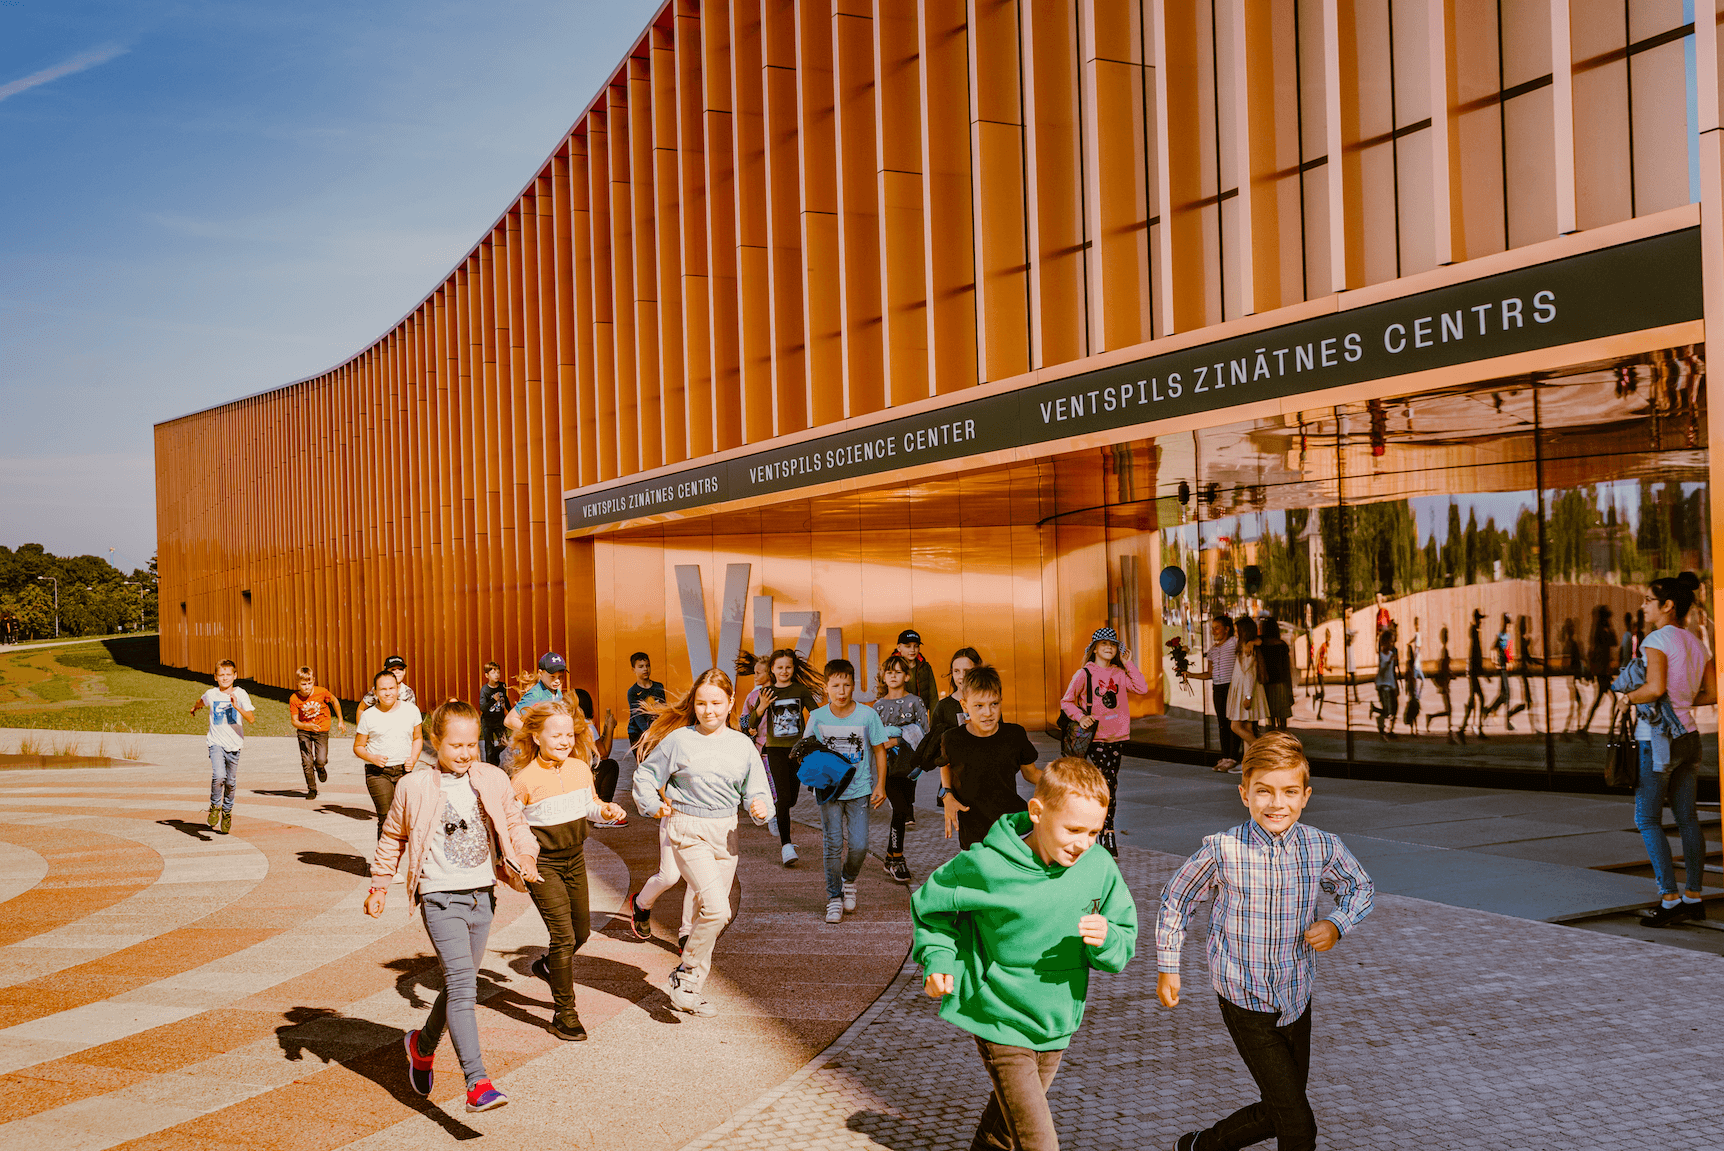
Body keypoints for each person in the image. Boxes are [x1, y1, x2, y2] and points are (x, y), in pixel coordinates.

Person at [1157, 732, 1375, 1151]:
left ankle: (1200, 1146)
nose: (1277, 803)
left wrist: (1336, 923)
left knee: (1281, 1108)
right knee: (1298, 1126)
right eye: (1264, 791)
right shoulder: (1223, 850)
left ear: (1306, 795)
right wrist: (1169, 966)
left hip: (1296, 997)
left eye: (1290, 791)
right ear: (1244, 794)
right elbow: (1175, 899)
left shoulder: (1322, 846)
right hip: (1243, 999)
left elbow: (1360, 887)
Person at [912, 757, 1137, 1151]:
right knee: (1039, 1142)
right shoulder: (986, 865)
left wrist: (1107, 940)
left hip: (1057, 1023)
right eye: (1073, 829)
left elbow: (1121, 944)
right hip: (1000, 1018)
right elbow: (931, 907)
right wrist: (939, 960)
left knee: (1001, 1132)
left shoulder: (1099, 866)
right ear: (1037, 811)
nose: (1083, 843)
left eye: (1094, 832)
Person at [366, 700, 540, 1114]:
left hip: (483, 895)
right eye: (455, 745)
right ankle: (477, 1082)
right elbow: (393, 836)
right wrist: (379, 885)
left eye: (471, 744)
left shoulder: (492, 778)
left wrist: (526, 855)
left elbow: (515, 822)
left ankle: (421, 1046)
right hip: (439, 897)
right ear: (434, 742)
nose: (465, 753)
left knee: (458, 983)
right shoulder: (414, 787)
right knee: (464, 986)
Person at [630, 669, 772, 1016]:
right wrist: (651, 804)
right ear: (693, 704)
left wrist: (760, 807)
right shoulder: (680, 740)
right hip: (687, 827)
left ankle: (689, 988)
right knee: (718, 909)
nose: (708, 710)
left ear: (730, 703)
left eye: (716, 703)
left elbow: (758, 789)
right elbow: (646, 775)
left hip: (726, 833)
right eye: (701, 703)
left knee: (709, 916)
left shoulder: (742, 745)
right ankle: (685, 975)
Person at [509, 699, 627, 1040]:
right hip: (543, 864)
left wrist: (605, 811)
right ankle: (565, 1013)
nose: (564, 741)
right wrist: (520, 863)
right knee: (562, 937)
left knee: (581, 934)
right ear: (535, 736)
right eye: (556, 735)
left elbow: (589, 805)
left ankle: (547, 967)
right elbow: (510, 825)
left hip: (576, 858)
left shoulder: (579, 768)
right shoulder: (524, 780)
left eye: (569, 735)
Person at [1614, 573, 1716, 928]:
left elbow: (1654, 688)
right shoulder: (1697, 644)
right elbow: (1712, 695)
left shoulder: (1657, 640)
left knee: (1647, 819)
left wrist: (1628, 697)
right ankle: (1694, 897)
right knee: (1687, 817)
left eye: (1647, 599)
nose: (1643, 606)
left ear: (1667, 605)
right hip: (1690, 737)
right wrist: (1683, 701)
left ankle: (1669, 899)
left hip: (1656, 740)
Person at [805, 658, 894, 923]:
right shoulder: (818, 717)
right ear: (826, 687)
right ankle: (834, 897)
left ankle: (848, 880)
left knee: (859, 845)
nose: (841, 691)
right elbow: (807, 749)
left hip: (860, 790)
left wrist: (880, 784)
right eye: (835, 685)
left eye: (846, 685)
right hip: (829, 792)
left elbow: (879, 749)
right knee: (832, 844)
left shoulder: (867, 715)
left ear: (854, 685)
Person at [1059, 626, 1147, 855]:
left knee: (1111, 785)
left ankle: (1103, 830)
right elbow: (1067, 701)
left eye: (1113, 644)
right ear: (1095, 648)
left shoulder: (1119, 673)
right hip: (1095, 738)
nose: (1109, 647)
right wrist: (1081, 717)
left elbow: (1141, 687)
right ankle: (1106, 832)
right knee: (1107, 782)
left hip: (1117, 736)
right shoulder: (1084, 674)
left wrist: (1128, 663)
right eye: (1104, 644)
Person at [939, 664, 1042, 850]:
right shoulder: (952, 739)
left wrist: (1065, 784)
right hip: (973, 833)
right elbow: (945, 763)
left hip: (1011, 827)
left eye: (994, 704)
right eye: (978, 706)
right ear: (964, 705)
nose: (988, 713)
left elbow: (1032, 774)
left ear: (1001, 701)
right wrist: (947, 795)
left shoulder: (1015, 735)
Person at [741, 647, 822, 867]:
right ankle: (786, 846)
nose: (784, 671)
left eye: (788, 667)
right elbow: (751, 724)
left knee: (791, 798)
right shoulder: (765, 693)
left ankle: (781, 815)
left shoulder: (800, 690)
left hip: (797, 750)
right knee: (783, 798)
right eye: (780, 667)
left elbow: (816, 715)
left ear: (793, 668)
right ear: (772, 670)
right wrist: (762, 707)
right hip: (775, 750)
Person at [872, 653, 929, 885]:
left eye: (898, 671)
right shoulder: (877, 706)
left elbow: (924, 733)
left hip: (909, 767)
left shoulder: (916, 702)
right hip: (888, 768)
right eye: (889, 672)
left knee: (903, 810)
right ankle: (898, 859)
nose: (893, 675)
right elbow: (874, 740)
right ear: (883, 677)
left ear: (907, 675)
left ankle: (888, 858)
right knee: (899, 810)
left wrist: (898, 738)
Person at [353, 670, 424, 834]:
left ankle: (408, 858)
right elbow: (358, 747)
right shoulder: (368, 716)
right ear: (375, 692)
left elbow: (418, 738)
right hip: (378, 773)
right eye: (383, 689)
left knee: (409, 818)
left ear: (398, 689)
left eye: (391, 688)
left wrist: (413, 758)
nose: (388, 693)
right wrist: (372, 757)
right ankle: (384, 860)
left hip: (405, 771)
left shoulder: (411, 711)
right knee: (386, 818)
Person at [190, 658, 255, 835]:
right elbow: (201, 701)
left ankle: (227, 812)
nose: (225, 678)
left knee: (231, 783)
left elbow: (251, 719)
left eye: (228, 675)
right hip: (216, 743)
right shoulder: (211, 694)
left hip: (234, 744)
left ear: (235, 675)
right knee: (219, 776)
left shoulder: (241, 694)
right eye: (221, 675)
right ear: (215, 677)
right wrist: (194, 708)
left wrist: (236, 706)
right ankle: (214, 806)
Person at [916, 646, 982, 780]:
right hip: (953, 778)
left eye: (967, 671)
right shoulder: (943, 706)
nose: (962, 676)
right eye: (956, 671)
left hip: (984, 773)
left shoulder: (987, 702)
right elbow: (935, 745)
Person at [1187, 615, 1239, 771]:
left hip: (1232, 687)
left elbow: (1250, 642)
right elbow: (1209, 673)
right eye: (1212, 628)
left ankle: (1233, 757)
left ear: (1227, 629)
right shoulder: (1212, 650)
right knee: (1222, 723)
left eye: (1217, 627)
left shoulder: (1234, 643)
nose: (1213, 631)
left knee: (1233, 724)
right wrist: (1189, 674)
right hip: (1218, 688)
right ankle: (1225, 756)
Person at [288, 665, 345, 800]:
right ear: (297, 683)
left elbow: (334, 701)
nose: (307, 687)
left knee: (321, 759)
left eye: (309, 683)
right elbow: (294, 721)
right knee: (307, 761)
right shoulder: (294, 699)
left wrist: (341, 720)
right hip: (304, 731)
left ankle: (320, 767)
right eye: (303, 684)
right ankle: (312, 789)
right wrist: (306, 725)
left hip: (321, 730)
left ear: (314, 680)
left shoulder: (321, 692)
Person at [1223, 616, 1266, 761]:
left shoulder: (1245, 648)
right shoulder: (1246, 644)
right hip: (1246, 689)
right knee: (1247, 728)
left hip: (1245, 690)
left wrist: (1248, 696)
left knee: (1235, 726)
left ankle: (1261, 748)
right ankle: (1248, 762)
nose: (1235, 633)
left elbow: (1249, 674)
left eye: (1237, 630)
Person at [1581, 605, 1618, 735]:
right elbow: (1614, 642)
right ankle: (1609, 726)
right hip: (1603, 671)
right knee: (1609, 699)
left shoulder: (1598, 630)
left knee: (1601, 700)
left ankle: (1587, 726)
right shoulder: (1603, 631)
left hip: (1602, 671)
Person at [625, 651, 666, 752]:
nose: (645, 669)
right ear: (633, 670)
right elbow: (637, 715)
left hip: (656, 731)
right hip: (638, 732)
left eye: (647, 666)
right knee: (644, 763)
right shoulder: (632, 692)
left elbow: (663, 709)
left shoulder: (659, 687)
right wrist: (648, 733)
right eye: (641, 666)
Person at [1257, 618, 1293, 732]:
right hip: (1281, 685)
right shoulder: (1282, 645)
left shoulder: (1260, 645)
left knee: (1270, 720)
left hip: (1266, 686)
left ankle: (1272, 743)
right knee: (1282, 720)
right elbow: (1287, 670)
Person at [1459, 610, 1490, 740]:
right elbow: (1475, 655)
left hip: (1472, 672)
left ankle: (1465, 728)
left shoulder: (1475, 634)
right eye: (1479, 620)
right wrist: (1481, 671)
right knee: (1479, 699)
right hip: (1473, 673)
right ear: (1476, 620)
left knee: (1474, 701)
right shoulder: (1475, 636)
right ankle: (1474, 728)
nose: (1481, 623)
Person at [895, 628, 939, 714]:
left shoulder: (925, 667)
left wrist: (934, 724)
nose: (912, 650)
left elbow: (933, 697)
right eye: (908, 646)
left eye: (916, 646)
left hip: (920, 715)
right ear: (899, 647)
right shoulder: (891, 668)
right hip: (898, 717)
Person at [1425, 626, 1456, 741]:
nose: (1447, 637)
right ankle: (1448, 732)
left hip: (1445, 683)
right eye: (1446, 635)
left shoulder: (1444, 651)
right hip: (1444, 684)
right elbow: (1444, 668)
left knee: (1449, 710)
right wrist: (1449, 676)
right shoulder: (1444, 651)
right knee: (1449, 710)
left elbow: (1444, 667)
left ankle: (1447, 730)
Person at [478, 661, 511, 765]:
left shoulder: (502, 686)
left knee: (504, 742)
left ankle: (494, 754)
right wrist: (493, 700)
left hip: (499, 720)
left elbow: (505, 699)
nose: (496, 675)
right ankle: (490, 765)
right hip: (488, 722)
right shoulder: (485, 690)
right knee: (489, 746)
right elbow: (483, 707)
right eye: (493, 673)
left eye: (498, 672)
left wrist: (510, 711)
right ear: (487, 675)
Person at [1371, 624, 1399, 739]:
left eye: (1393, 642)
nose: (1391, 644)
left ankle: (1389, 730)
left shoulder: (1392, 653)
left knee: (1394, 708)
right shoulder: (1382, 655)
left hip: (1390, 685)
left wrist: (1395, 685)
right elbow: (1382, 669)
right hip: (1382, 685)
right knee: (1387, 710)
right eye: (1390, 642)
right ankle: (1383, 730)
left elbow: (1392, 672)